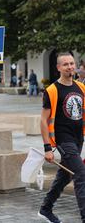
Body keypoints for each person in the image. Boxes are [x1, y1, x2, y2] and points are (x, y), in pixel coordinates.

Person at [38, 53, 85, 223]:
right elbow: (43, 120)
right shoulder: (52, 90)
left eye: (72, 63)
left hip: (79, 138)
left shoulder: (81, 87)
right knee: (81, 174)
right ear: (58, 67)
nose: (70, 67)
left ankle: (45, 208)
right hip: (63, 139)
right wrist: (47, 148)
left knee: (64, 176)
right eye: (65, 64)